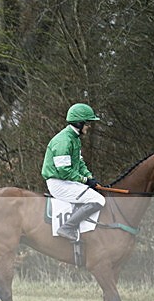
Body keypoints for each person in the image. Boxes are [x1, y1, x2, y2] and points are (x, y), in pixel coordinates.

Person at [41, 103, 106, 241]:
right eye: (88, 123)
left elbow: (80, 163)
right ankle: (67, 227)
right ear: (79, 123)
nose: (89, 126)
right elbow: (64, 171)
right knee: (98, 200)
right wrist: (85, 180)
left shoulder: (74, 139)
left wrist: (89, 177)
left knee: (96, 193)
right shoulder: (64, 141)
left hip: (66, 181)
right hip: (59, 183)